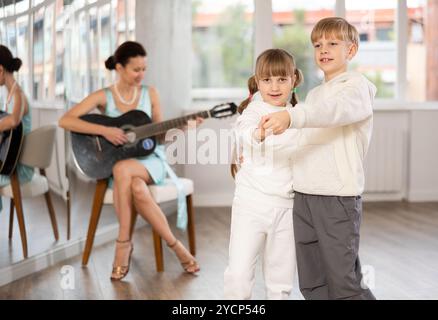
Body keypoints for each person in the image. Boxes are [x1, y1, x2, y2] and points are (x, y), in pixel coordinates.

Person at [59, 41, 200, 281]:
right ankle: (177, 247)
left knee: (124, 169)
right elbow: (66, 120)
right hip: (120, 167)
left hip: (150, 161)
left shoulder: (150, 93)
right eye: (136, 69)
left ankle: (122, 244)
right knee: (135, 186)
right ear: (120, 68)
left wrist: (184, 128)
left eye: (144, 69)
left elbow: (159, 137)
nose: (141, 74)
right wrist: (105, 131)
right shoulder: (104, 96)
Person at [260, 17, 376, 300]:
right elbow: (304, 142)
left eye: (333, 43)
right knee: (312, 281)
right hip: (305, 196)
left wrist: (291, 115)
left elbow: (332, 112)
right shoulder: (314, 94)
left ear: (351, 51)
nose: (323, 49)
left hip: (337, 198)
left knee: (343, 282)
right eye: (317, 44)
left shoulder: (356, 88)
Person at [224, 49, 303, 300]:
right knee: (238, 276)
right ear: (257, 81)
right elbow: (244, 132)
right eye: (267, 80)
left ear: (294, 79)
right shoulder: (254, 110)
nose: (275, 86)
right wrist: (258, 135)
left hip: (287, 208)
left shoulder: (299, 114)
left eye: (282, 79)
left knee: (280, 283)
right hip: (251, 205)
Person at [0, 45, 34, 211]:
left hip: (19, 168)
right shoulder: (9, 95)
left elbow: (13, 120)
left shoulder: (18, 94)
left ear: (0, 69)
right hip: (11, 162)